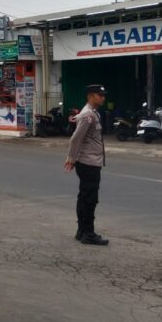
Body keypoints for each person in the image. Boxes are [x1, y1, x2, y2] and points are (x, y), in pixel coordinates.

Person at [64, 84, 109, 246]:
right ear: (91, 96)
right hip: (88, 162)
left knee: (85, 196)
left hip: (91, 161)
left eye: (103, 95)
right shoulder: (88, 115)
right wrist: (71, 157)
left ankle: (82, 231)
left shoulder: (92, 112)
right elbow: (76, 138)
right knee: (90, 198)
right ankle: (88, 233)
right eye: (100, 95)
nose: (103, 98)